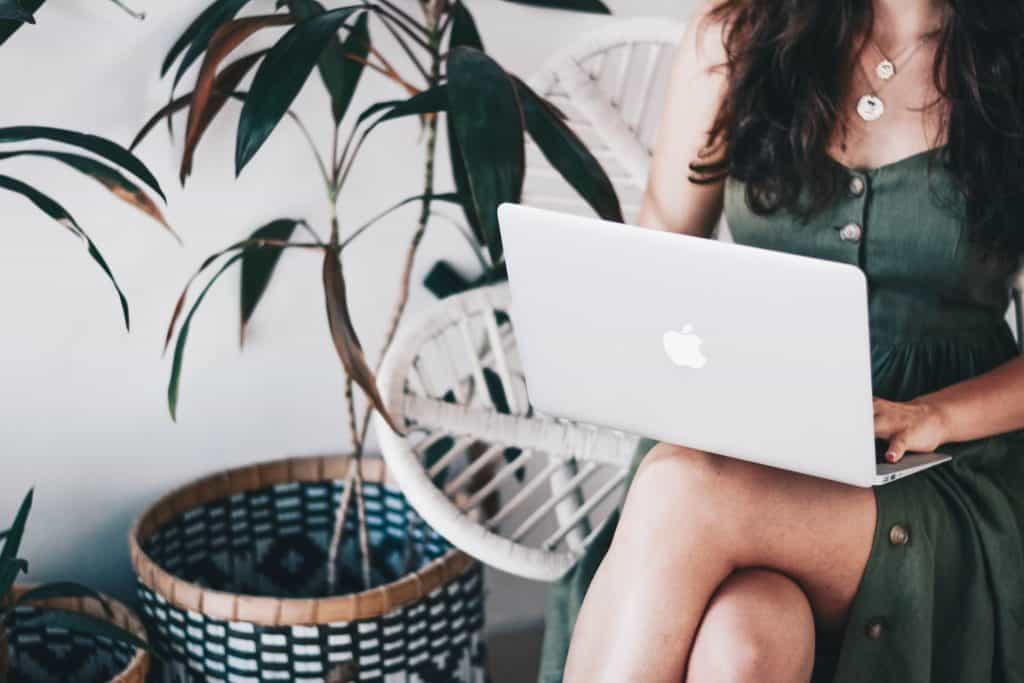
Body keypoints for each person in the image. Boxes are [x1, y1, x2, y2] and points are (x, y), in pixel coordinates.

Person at [538, 0, 1024, 681]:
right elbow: (659, 255)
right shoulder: (737, 35)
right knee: (743, 645)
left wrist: (934, 415)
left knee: (681, 488)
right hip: (754, 429)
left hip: (952, 459)